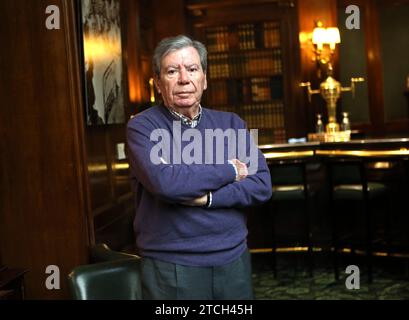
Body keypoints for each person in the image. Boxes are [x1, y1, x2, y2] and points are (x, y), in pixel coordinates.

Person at [126, 35, 272, 300]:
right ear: (158, 83)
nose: (184, 79)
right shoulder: (142, 127)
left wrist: (209, 198)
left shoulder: (232, 123)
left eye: (192, 69)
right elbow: (166, 183)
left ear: (204, 78)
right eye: (172, 71)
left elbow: (261, 185)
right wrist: (229, 170)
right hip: (171, 266)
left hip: (233, 259)